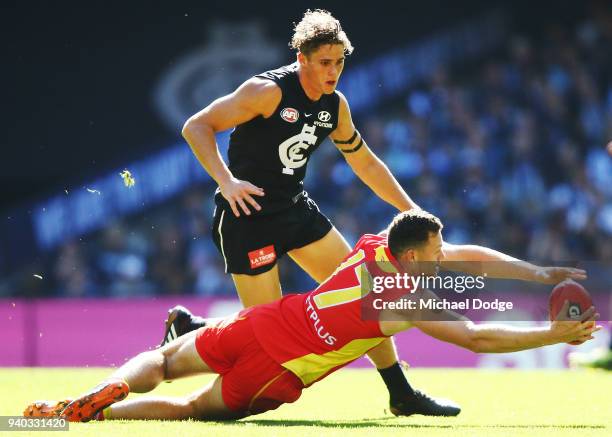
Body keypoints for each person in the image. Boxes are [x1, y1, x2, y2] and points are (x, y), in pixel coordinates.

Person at [25, 209, 598, 422]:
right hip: (279, 371)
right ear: (418, 255)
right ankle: (104, 417)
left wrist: (535, 273)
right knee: (192, 410)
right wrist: (555, 332)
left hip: (263, 322)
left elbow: (466, 255)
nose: (444, 257)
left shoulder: (375, 245)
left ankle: (88, 398)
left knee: (163, 358)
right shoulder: (406, 303)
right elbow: (476, 339)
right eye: (436, 252)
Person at [170, 8, 447, 416]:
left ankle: (401, 393)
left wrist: (412, 211)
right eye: (325, 63)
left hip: (295, 209)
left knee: (367, 295)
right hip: (248, 218)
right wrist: (227, 183)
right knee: (263, 334)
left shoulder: (335, 107)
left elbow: (365, 163)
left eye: (339, 62)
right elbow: (196, 126)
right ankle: (191, 332)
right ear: (302, 59)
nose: (334, 71)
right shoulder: (266, 92)